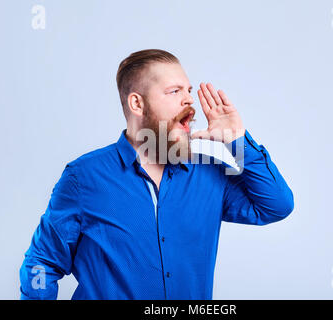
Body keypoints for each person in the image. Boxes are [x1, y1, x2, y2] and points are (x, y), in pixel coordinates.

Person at [19, 49, 294, 299]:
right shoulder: (84, 178)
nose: (189, 99)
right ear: (137, 104)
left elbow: (275, 206)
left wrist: (237, 141)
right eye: (174, 91)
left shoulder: (208, 173)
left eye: (188, 89)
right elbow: (42, 263)